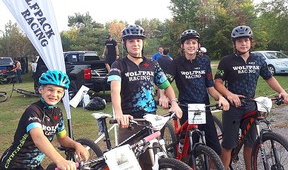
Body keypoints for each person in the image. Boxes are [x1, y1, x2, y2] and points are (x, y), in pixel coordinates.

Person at [107, 24, 182, 169]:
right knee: (128, 165)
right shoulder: (119, 64)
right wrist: (119, 114)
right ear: (125, 43)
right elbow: (115, 90)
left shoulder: (152, 63)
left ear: (142, 42)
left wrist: (174, 103)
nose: (135, 44)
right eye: (131, 41)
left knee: (152, 162)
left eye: (138, 40)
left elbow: (166, 86)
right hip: (128, 122)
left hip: (150, 121)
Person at [214, 25, 288, 170]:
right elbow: (217, 83)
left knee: (250, 143)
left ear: (251, 42)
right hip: (233, 106)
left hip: (251, 106)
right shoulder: (227, 61)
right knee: (228, 144)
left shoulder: (258, 59)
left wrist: (282, 91)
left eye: (246, 40)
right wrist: (229, 94)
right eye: (240, 41)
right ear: (234, 43)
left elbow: (269, 77)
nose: (243, 43)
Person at [0, 70, 89, 170]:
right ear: (41, 90)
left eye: (59, 91)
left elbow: (62, 138)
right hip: (15, 164)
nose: (54, 95)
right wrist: (60, 160)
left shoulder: (57, 112)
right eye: (50, 90)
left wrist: (76, 144)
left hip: (34, 165)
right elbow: (38, 137)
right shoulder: (33, 110)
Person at [164, 29, 229, 157]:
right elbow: (165, 83)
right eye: (188, 43)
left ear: (198, 45)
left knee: (215, 149)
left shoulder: (204, 61)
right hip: (186, 109)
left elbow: (210, 87)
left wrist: (220, 98)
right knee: (190, 151)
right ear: (182, 46)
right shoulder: (176, 63)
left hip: (203, 108)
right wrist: (164, 97)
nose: (191, 45)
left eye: (194, 42)